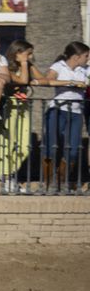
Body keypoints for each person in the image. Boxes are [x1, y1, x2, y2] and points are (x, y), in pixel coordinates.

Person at [0, 40, 43, 192]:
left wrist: (34, 78)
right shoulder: (6, 67)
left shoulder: (28, 65)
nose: (30, 56)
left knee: (24, 146)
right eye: (27, 53)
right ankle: (6, 176)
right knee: (8, 143)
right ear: (17, 53)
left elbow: (42, 78)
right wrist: (23, 65)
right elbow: (22, 80)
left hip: (24, 106)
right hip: (10, 105)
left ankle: (7, 172)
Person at [43, 42, 89, 193]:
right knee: (51, 146)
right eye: (86, 56)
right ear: (76, 57)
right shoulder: (59, 65)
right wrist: (71, 83)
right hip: (58, 109)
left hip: (76, 112)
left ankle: (62, 179)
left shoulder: (85, 69)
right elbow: (48, 80)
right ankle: (49, 182)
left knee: (73, 149)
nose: (88, 59)